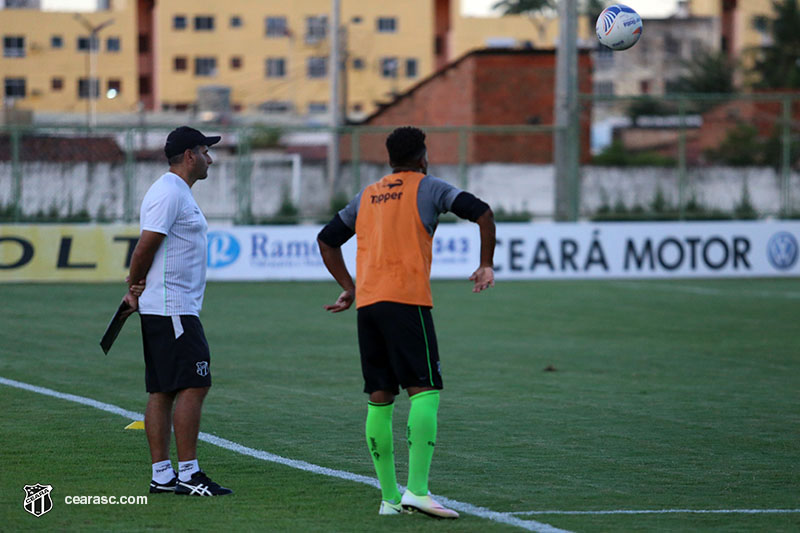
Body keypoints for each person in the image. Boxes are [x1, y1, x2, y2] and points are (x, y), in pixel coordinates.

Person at [317, 126, 496, 518]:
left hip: (370, 307)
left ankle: (388, 500)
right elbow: (482, 213)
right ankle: (417, 490)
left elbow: (327, 240)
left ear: (389, 158)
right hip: (407, 301)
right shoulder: (428, 187)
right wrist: (485, 264)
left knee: (379, 398)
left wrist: (349, 286)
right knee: (425, 390)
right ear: (422, 157)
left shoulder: (368, 195)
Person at [120, 126, 232, 497]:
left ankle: (163, 476)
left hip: (171, 306)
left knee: (164, 390)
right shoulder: (170, 192)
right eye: (205, 151)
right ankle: (188, 473)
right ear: (189, 155)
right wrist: (134, 284)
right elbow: (144, 247)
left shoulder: (173, 191)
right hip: (173, 308)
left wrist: (138, 286)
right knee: (194, 384)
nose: (209, 158)